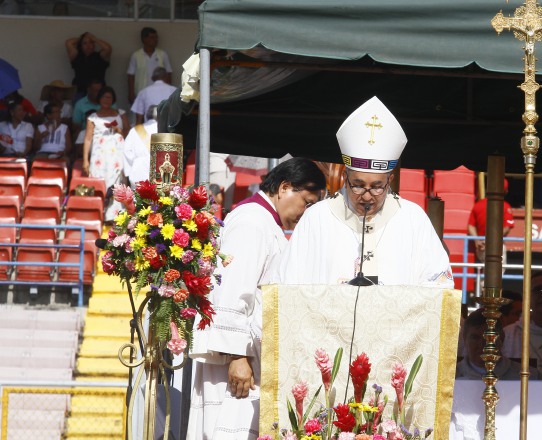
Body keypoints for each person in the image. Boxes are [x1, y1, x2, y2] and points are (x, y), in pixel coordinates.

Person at [188, 158, 326, 440]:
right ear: (285, 187)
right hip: (236, 362)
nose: (307, 212)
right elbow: (234, 290)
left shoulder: (266, 222)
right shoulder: (252, 221)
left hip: (251, 355)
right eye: (308, 202)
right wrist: (237, 356)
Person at [277, 96, 453, 287]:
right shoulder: (317, 218)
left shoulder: (412, 219)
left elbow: (439, 286)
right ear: (345, 178)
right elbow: (287, 285)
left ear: (389, 181)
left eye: (377, 187)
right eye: (358, 185)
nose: (367, 196)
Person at [82, 86, 129, 221]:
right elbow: (88, 138)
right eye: (104, 97)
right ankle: (99, 215)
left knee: (117, 182)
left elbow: (129, 133)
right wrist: (85, 159)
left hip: (117, 156)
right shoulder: (93, 117)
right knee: (100, 181)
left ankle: (117, 218)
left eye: (109, 97)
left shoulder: (121, 114)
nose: (106, 100)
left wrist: (119, 130)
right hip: (99, 157)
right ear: (99, 99)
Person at [456, 308, 540, 381]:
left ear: (502, 338)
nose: (482, 344)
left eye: (489, 337)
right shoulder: (448, 378)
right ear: (464, 338)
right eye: (475, 337)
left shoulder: (529, 377)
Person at [467, 178, 514, 263]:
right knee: (498, 273)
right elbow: (507, 228)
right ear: (505, 191)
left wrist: (477, 241)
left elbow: (470, 226)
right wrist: (489, 241)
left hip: (480, 247)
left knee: (484, 272)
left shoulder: (478, 205)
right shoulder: (505, 206)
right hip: (497, 246)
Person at [127, 27, 172, 104]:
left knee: (157, 114)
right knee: (141, 114)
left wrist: (168, 92)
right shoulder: (136, 55)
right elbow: (131, 76)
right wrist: (131, 94)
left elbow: (169, 73)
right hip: (141, 92)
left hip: (159, 93)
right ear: (144, 39)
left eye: (156, 37)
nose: (155, 40)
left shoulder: (162, 54)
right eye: (152, 37)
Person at [65, 32, 112, 99]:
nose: (88, 45)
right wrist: (81, 38)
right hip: (79, 92)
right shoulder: (76, 56)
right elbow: (68, 43)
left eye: (91, 42)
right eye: (85, 43)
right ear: (81, 45)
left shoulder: (100, 56)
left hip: (98, 92)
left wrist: (95, 39)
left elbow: (108, 48)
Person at [122, 105, 158, 189]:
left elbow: (127, 152)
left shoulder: (134, 130)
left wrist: (129, 170)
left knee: (138, 199)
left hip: (138, 170)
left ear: (146, 116)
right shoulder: (163, 130)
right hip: (158, 170)